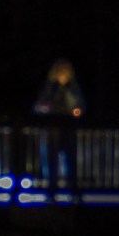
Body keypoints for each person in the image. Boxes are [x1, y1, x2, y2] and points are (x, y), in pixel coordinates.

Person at [32, 59, 84, 196]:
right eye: (60, 70)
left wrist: (76, 110)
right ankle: (52, 186)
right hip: (51, 127)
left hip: (67, 125)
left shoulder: (72, 88)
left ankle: (71, 186)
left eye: (65, 71)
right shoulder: (49, 87)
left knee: (70, 157)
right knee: (50, 158)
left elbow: (79, 106)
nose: (62, 73)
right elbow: (39, 105)